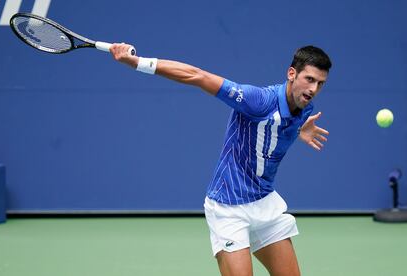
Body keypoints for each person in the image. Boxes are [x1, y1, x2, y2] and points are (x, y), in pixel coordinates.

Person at [109, 44, 332, 276]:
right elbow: (198, 76)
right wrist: (138, 63)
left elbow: (274, 131)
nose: (313, 88)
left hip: (264, 204)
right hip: (228, 207)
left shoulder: (306, 109)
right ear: (291, 74)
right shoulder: (258, 100)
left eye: (320, 83)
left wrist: (297, 131)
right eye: (309, 79)